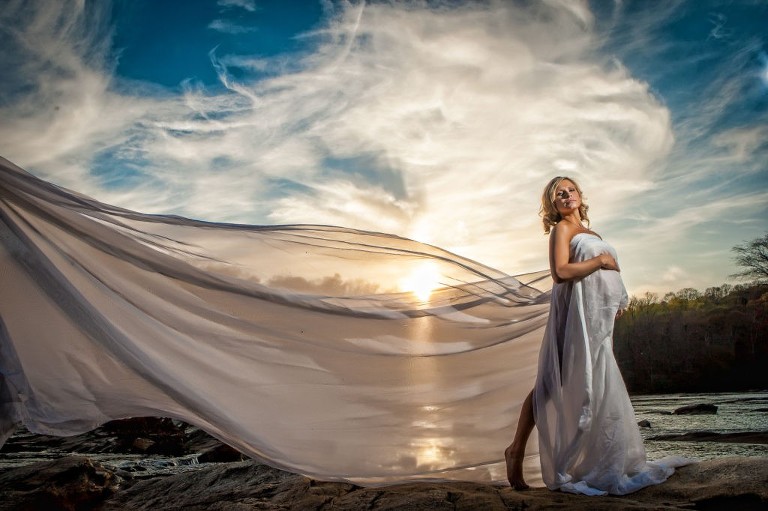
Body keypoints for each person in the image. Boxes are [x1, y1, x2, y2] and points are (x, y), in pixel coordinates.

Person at [504, 176, 686, 495]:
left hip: (597, 315)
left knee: (597, 379)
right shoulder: (562, 230)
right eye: (558, 193)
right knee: (552, 380)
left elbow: (610, 273)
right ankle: (516, 449)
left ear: (579, 195)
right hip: (572, 312)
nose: (566, 194)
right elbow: (560, 272)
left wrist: (619, 299)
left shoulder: (593, 233)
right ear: (552, 204)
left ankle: (596, 457)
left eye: (570, 189)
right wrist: (600, 260)